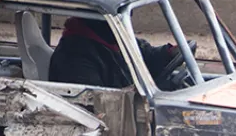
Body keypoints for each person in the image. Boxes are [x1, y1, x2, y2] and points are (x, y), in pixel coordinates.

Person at [48, 17, 178, 89]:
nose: (121, 23)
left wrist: (169, 53)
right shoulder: (75, 56)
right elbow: (98, 100)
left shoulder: (113, 40)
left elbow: (144, 55)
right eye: (117, 18)